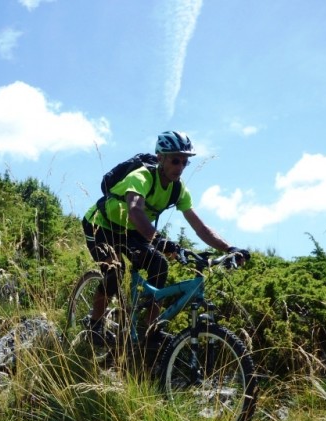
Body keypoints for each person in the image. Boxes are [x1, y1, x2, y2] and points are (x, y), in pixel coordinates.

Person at [81, 130, 250, 348]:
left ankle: (151, 331)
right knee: (115, 272)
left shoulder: (178, 190)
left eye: (185, 162)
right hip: (101, 225)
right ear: (160, 158)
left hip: (132, 231)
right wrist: (162, 242)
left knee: (159, 265)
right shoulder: (141, 177)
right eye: (175, 160)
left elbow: (200, 227)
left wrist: (230, 248)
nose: (180, 167)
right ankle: (94, 325)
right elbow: (135, 211)